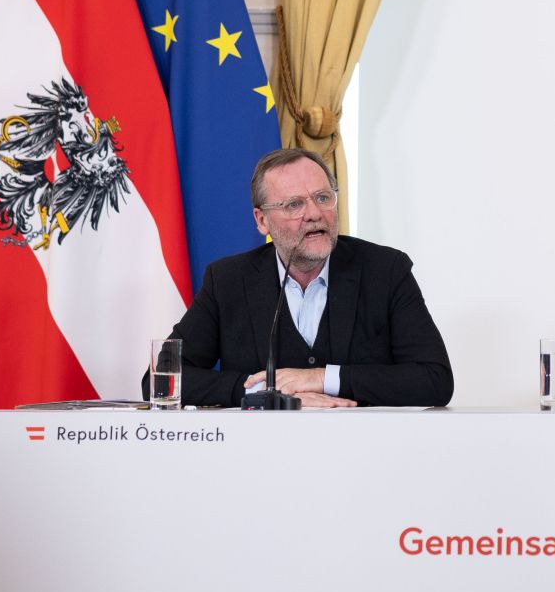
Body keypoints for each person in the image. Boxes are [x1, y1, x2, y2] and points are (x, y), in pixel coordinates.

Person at [151, 147, 454, 408]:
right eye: (294, 204)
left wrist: (320, 379)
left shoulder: (386, 271)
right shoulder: (228, 280)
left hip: (363, 456)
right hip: (259, 458)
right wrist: (268, 391)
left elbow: (434, 379)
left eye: (323, 198)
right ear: (262, 220)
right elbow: (163, 379)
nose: (314, 213)